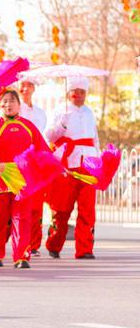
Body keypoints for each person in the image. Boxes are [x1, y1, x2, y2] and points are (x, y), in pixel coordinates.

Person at [0, 90, 52, 268]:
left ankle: (22, 256)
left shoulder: (28, 126)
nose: (8, 105)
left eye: (12, 101)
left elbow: (42, 149)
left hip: (22, 180)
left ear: (19, 105)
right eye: (4, 102)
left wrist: (53, 164)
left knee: (22, 218)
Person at [45, 77, 99, 259]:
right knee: (62, 208)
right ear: (69, 93)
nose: (79, 95)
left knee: (87, 208)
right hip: (67, 166)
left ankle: (84, 249)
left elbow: (95, 139)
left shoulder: (90, 113)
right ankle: (54, 243)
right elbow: (49, 136)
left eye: (82, 92)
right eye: (75, 91)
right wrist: (62, 124)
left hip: (89, 165)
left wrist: (98, 161)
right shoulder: (60, 111)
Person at [17, 77, 48, 256]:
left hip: (34, 161)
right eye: (23, 86)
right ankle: (18, 241)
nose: (26, 89)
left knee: (36, 204)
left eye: (29, 86)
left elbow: (41, 137)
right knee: (18, 204)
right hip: (16, 161)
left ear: (34, 88)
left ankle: (34, 243)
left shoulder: (40, 113)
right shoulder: (12, 109)